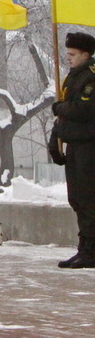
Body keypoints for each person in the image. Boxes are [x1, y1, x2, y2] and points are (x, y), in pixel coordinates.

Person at [51, 31, 95, 268]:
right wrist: (55, 140)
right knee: (77, 199)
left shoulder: (90, 77)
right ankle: (84, 247)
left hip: (89, 146)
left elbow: (83, 110)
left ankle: (91, 251)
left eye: (72, 54)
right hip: (74, 145)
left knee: (88, 199)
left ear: (85, 55)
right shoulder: (72, 77)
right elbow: (64, 116)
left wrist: (59, 108)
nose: (68, 58)